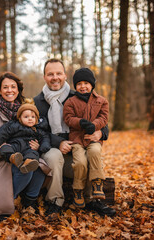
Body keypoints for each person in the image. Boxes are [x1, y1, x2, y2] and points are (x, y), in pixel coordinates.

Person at [34, 59, 116, 217]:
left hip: (77, 146)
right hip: (52, 147)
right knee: (54, 155)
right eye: (50, 74)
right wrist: (59, 143)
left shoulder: (76, 95)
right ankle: (55, 202)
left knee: (90, 155)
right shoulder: (38, 102)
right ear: (44, 77)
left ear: (65, 76)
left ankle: (92, 200)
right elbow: (38, 131)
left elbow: (99, 120)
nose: (55, 77)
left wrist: (101, 133)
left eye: (59, 73)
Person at [0, 72, 47, 221]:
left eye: (13, 87)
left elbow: (39, 132)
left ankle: (28, 203)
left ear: (18, 90)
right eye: (5, 87)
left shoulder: (26, 111)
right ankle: (7, 199)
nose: (9, 90)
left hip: (23, 154)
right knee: (24, 169)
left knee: (38, 167)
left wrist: (37, 145)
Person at [63, 67, 109, 208]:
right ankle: (78, 190)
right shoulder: (71, 101)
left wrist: (95, 126)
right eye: (79, 84)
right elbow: (68, 118)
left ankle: (97, 183)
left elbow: (104, 118)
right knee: (80, 162)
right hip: (76, 139)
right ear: (75, 86)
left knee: (95, 152)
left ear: (92, 84)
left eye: (86, 83)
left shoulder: (101, 101)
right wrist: (80, 122)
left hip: (92, 138)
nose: (83, 86)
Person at [0, 100, 51, 174]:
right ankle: (13, 157)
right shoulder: (14, 125)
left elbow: (45, 137)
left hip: (28, 148)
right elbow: (2, 133)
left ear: (36, 119)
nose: (30, 119)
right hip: (15, 146)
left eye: (33, 117)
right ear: (20, 118)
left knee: (33, 153)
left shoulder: (38, 129)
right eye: (26, 117)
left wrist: (43, 147)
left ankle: (28, 163)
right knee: (4, 148)